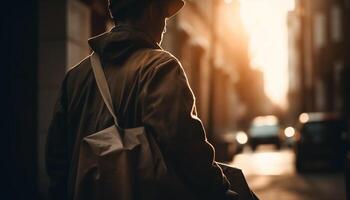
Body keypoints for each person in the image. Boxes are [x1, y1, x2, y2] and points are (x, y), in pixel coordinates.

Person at [45, 0, 238, 199]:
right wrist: (219, 188)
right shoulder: (160, 67)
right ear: (152, 11)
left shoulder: (75, 77)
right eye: (164, 14)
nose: (164, 26)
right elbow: (185, 146)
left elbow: (57, 160)